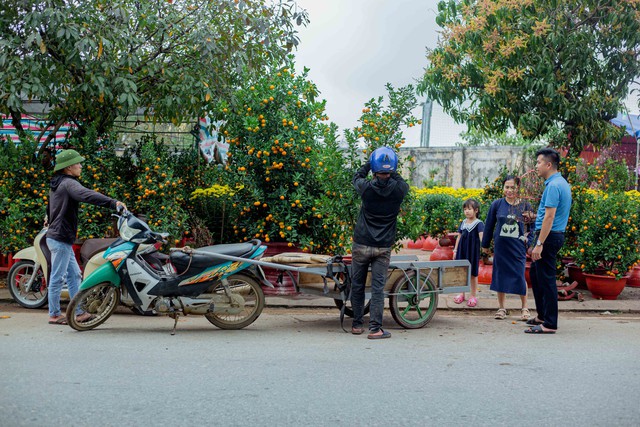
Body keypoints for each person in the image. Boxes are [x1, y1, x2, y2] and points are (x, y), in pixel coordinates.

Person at [46, 149, 126, 325]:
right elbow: (86, 194)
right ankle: (54, 314)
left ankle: (80, 312)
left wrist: (49, 221)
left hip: (61, 237)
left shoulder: (58, 183)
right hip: (60, 238)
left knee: (74, 275)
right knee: (58, 277)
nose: (81, 166)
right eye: (78, 163)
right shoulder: (69, 183)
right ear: (68, 167)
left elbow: (50, 207)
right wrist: (113, 203)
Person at [351, 146, 409, 339]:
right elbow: (398, 178)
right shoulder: (400, 190)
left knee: (357, 284)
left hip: (361, 244)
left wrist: (370, 162)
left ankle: (357, 325)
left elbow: (357, 176)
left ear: (374, 170)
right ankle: (375, 329)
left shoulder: (366, 188)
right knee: (377, 289)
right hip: (383, 247)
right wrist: (390, 165)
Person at [525, 148, 572, 334]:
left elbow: (550, 218)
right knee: (537, 276)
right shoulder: (560, 183)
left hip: (549, 236)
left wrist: (539, 243)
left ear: (548, 164)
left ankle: (550, 323)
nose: (536, 166)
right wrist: (535, 216)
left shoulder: (553, 186)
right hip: (552, 234)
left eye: (538, 162)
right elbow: (549, 214)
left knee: (546, 279)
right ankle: (542, 315)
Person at [481, 175, 534, 321]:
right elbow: (489, 226)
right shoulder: (497, 204)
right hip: (501, 248)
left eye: (513, 187)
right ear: (503, 188)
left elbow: (533, 226)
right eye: (507, 187)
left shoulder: (525, 206)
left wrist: (528, 242)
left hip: (517, 248)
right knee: (500, 275)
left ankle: (524, 308)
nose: (509, 190)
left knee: (519, 275)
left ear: (518, 188)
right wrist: (485, 246)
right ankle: (502, 308)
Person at [452, 199, 484, 307]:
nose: (467, 211)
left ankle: (473, 296)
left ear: (476, 210)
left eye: (469, 209)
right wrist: (455, 250)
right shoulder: (463, 223)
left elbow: (481, 236)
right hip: (462, 251)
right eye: (465, 209)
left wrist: (485, 247)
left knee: (473, 274)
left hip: (472, 252)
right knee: (461, 272)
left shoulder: (479, 223)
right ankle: (461, 294)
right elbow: (459, 237)